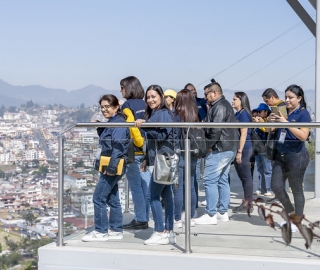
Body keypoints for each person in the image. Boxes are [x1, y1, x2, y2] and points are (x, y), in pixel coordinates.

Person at [82, 94, 130, 242]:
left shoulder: (118, 124)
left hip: (113, 165)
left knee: (98, 197)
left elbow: (118, 148)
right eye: (102, 107)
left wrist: (111, 167)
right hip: (110, 163)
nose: (104, 110)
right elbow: (107, 141)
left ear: (116, 107)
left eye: (107, 106)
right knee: (112, 198)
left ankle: (101, 231)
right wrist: (99, 126)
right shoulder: (112, 122)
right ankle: (116, 229)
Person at [134, 85, 178, 245]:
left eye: (154, 96)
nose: (150, 100)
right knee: (166, 195)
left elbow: (162, 134)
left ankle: (159, 231)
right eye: (148, 97)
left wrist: (144, 127)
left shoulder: (163, 113)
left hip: (163, 158)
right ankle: (169, 231)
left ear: (161, 96)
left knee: (152, 196)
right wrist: (146, 158)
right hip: (162, 158)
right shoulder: (158, 113)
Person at [268, 84, 311, 232]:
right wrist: (271, 121)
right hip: (281, 154)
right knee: (276, 186)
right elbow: (270, 130)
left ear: (299, 98)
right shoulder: (283, 111)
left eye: (291, 98)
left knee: (296, 189)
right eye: (286, 97)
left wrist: (286, 123)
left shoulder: (303, 114)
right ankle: (292, 214)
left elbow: (303, 136)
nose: (287, 100)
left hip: (297, 156)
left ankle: (297, 221)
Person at [194, 81, 238, 225]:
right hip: (228, 148)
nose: (205, 97)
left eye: (206, 94)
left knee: (210, 180)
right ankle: (222, 212)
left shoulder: (219, 106)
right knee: (222, 180)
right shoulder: (224, 105)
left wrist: (207, 147)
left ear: (214, 93)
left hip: (219, 148)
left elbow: (215, 130)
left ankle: (211, 214)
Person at [120, 76, 151, 230]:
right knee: (145, 185)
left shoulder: (126, 106)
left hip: (135, 150)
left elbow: (131, 127)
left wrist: (139, 144)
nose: (121, 91)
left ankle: (140, 218)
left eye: (122, 87)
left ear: (129, 88)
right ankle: (145, 216)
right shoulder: (146, 104)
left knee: (135, 186)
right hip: (148, 150)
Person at [173, 89, 199, 228]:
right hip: (193, 154)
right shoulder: (195, 115)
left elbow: (175, 136)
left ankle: (177, 218)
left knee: (178, 188)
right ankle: (191, 217)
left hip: (180, 153)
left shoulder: (176, 116)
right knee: (191, 187)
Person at [185, 83, 208, 209]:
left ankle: (193, 203)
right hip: (189, 142)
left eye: (194, 90)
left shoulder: (201, 102)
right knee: (191, 175)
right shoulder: (184, 106)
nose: (194, 92)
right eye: (190, 91)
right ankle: (190, 204)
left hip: (199, 141)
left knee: (195, 175)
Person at [261, 88, 286, 204]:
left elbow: (273, 128)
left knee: (279, 173)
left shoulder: (281, 107)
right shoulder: (276, 108)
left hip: (280, 144)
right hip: (277, 142)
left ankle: (281, 197)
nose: (267, 104)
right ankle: (278, 196)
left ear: (272, 97)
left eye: (267, 101)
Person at [231, 92, 254, 213]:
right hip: (240, 148)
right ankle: (246, 201)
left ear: (241, 100)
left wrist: (239, 151)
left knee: (246, 177)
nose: (232, 101)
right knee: (243, 177)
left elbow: (244, 134)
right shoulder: (238, 114)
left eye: (235, 99)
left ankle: (248, 203)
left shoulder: (244, 114)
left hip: (244, 149)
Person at [252, 103, 274, 196]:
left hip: (266, 149)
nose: (258, 113)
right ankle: (262, 188)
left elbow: (267, 130)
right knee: (260, 170)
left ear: (266, 112)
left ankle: (270, 189)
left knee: (268, 169)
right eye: (257, 112)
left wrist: (260, 123)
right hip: (258, 148)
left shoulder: (268, 121)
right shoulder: (260, 121)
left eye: (260, 111)